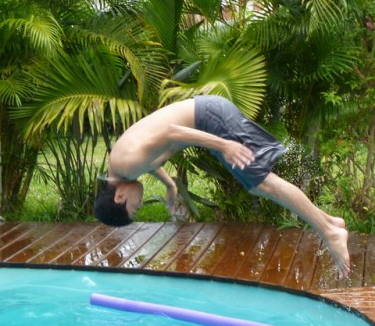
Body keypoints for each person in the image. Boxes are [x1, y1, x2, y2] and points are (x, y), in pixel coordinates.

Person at [94, 95, 350, 278]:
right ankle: (330, 222)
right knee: (258, 185)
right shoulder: (120, 167)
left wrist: (224, 145)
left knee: (263, 184)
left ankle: (329, 231)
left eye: (134, 207)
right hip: (208, 117)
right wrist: (170, 186)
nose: (140, 203)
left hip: (211, 118)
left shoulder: (127, 166)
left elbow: (171, 132)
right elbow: (151, 160)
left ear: (119, 196)